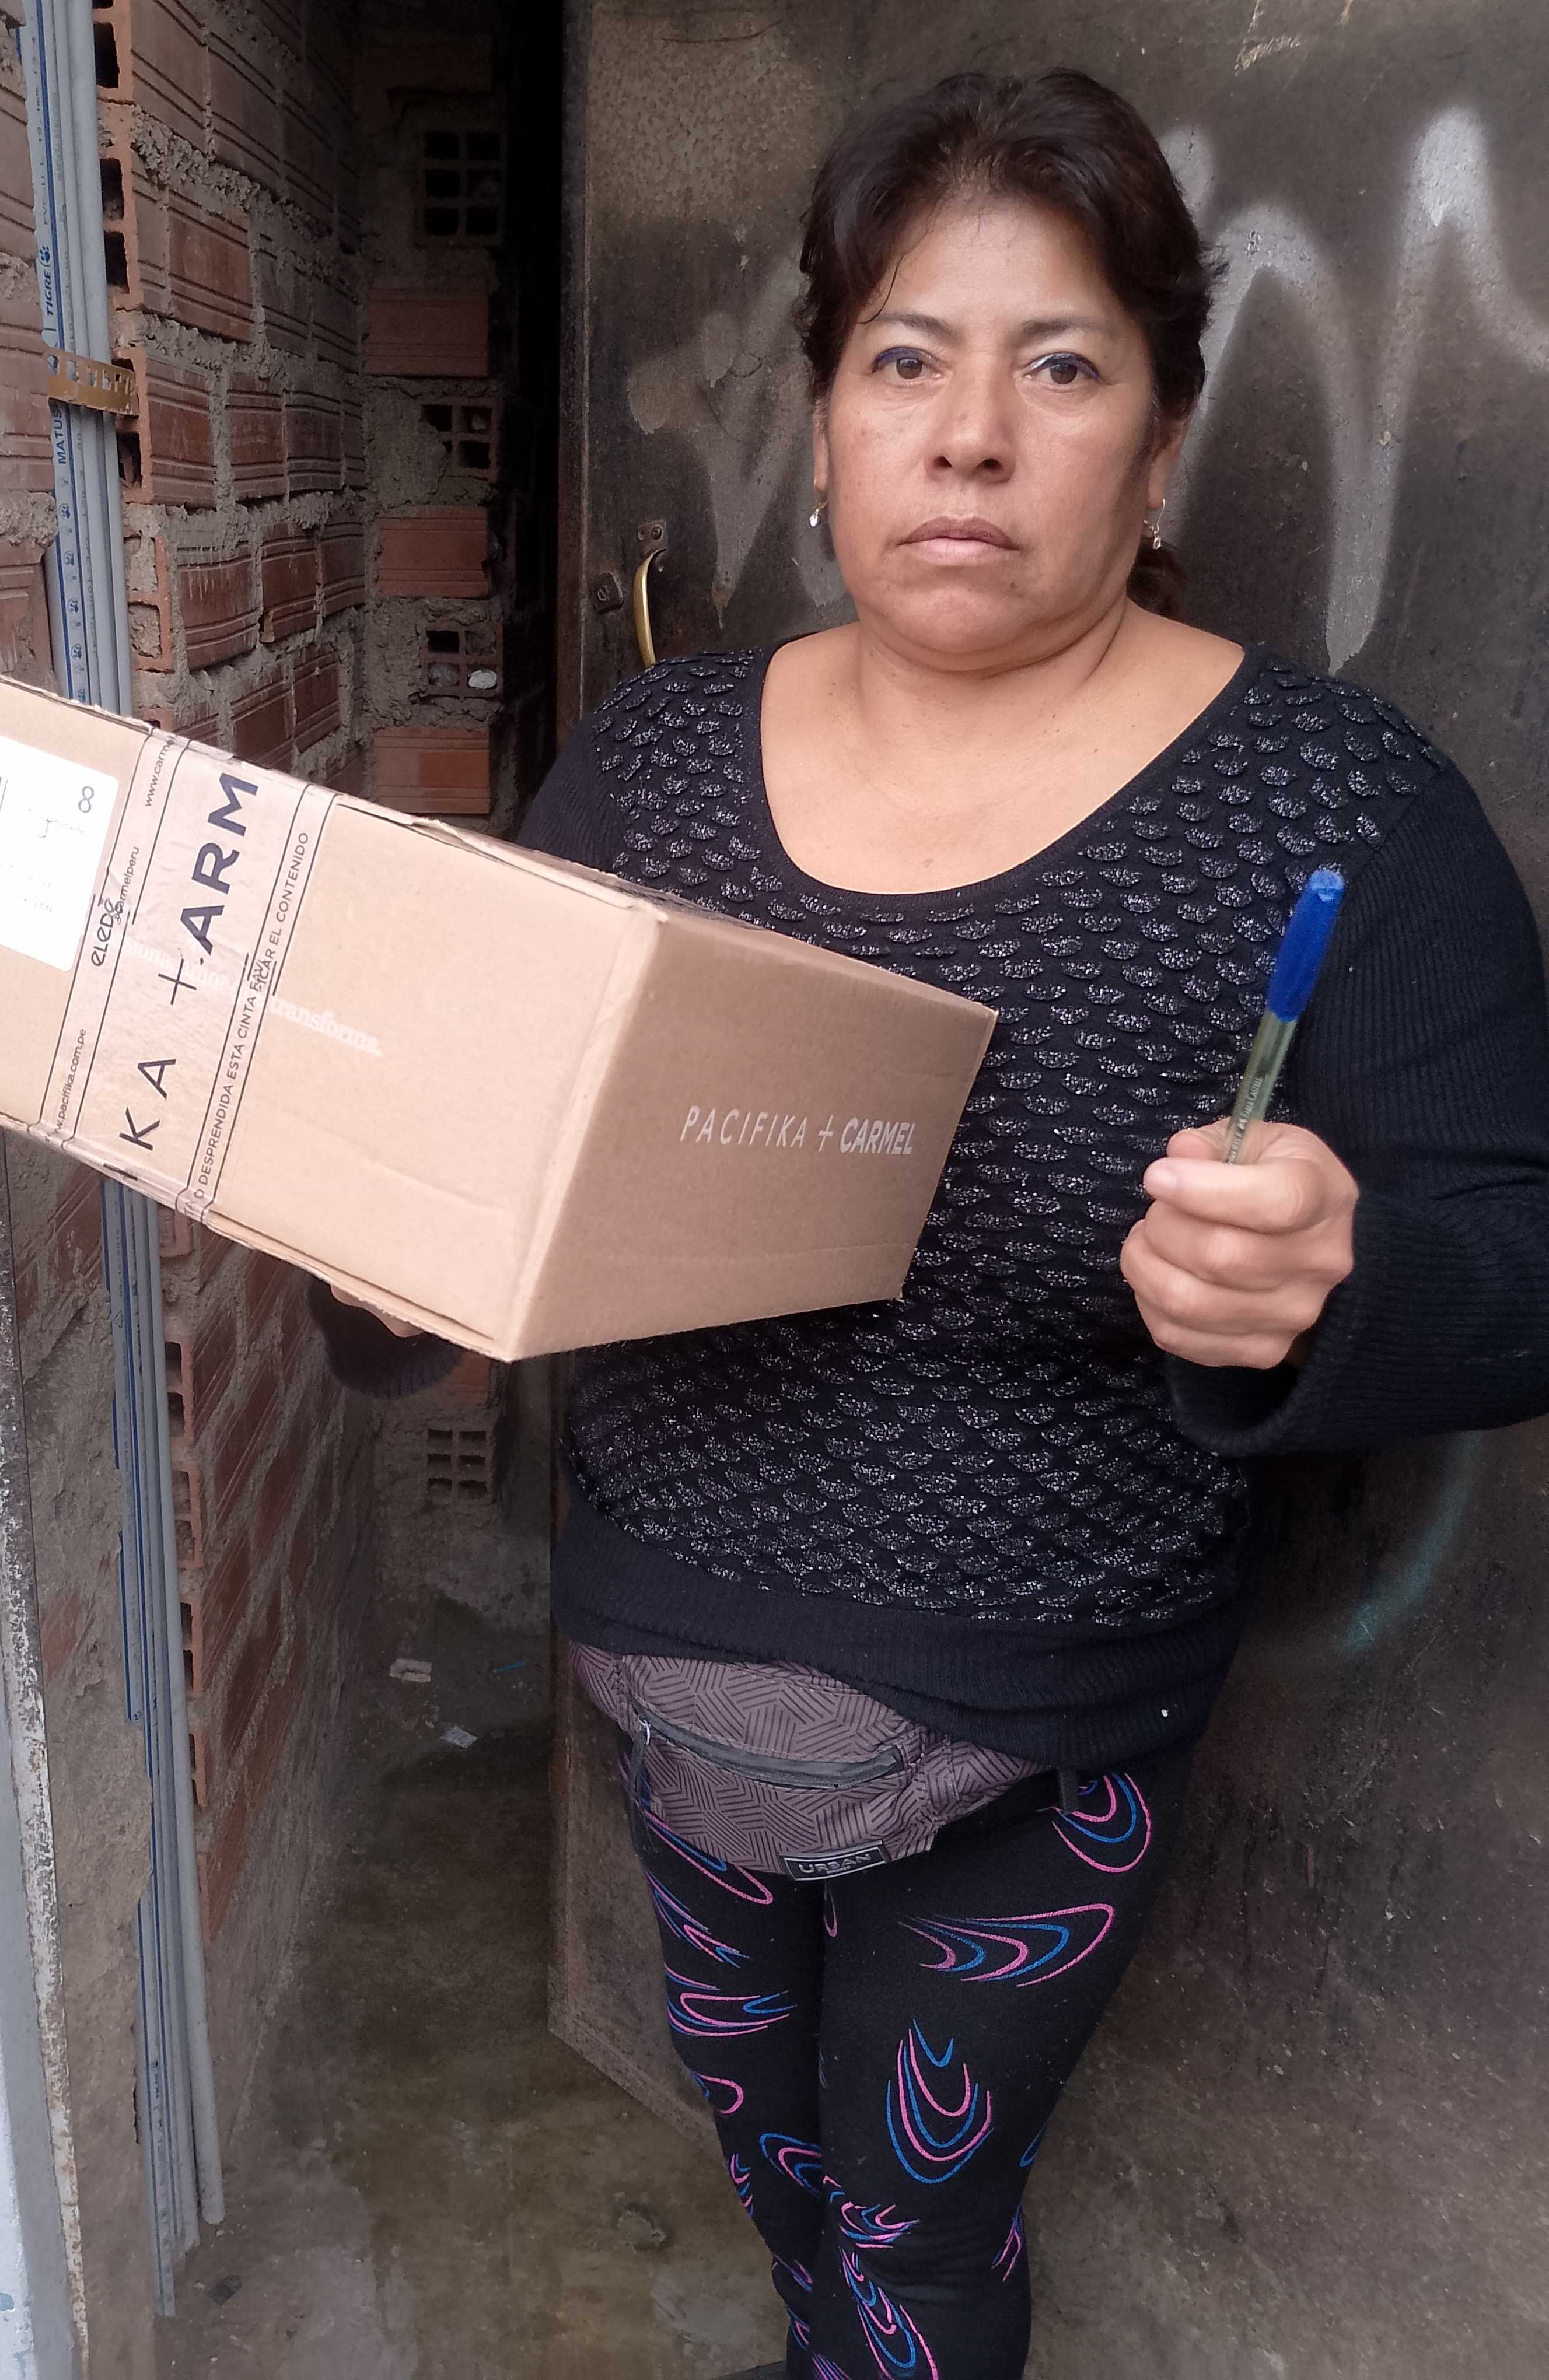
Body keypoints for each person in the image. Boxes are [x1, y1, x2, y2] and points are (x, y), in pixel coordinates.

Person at [312, 68, 1549, 2380]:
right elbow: (456, 1212)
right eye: (907, 359)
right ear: (828, 419)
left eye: (1060, 366)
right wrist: (374, 1242)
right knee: (768, 2163)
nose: (970, 436)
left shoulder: (1331, 809)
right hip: (674, 1676)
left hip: (1032, 1720)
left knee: (914, 2222)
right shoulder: (658, 770)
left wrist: (1339, 1285)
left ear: (1162, 447)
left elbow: (1517, 1262)